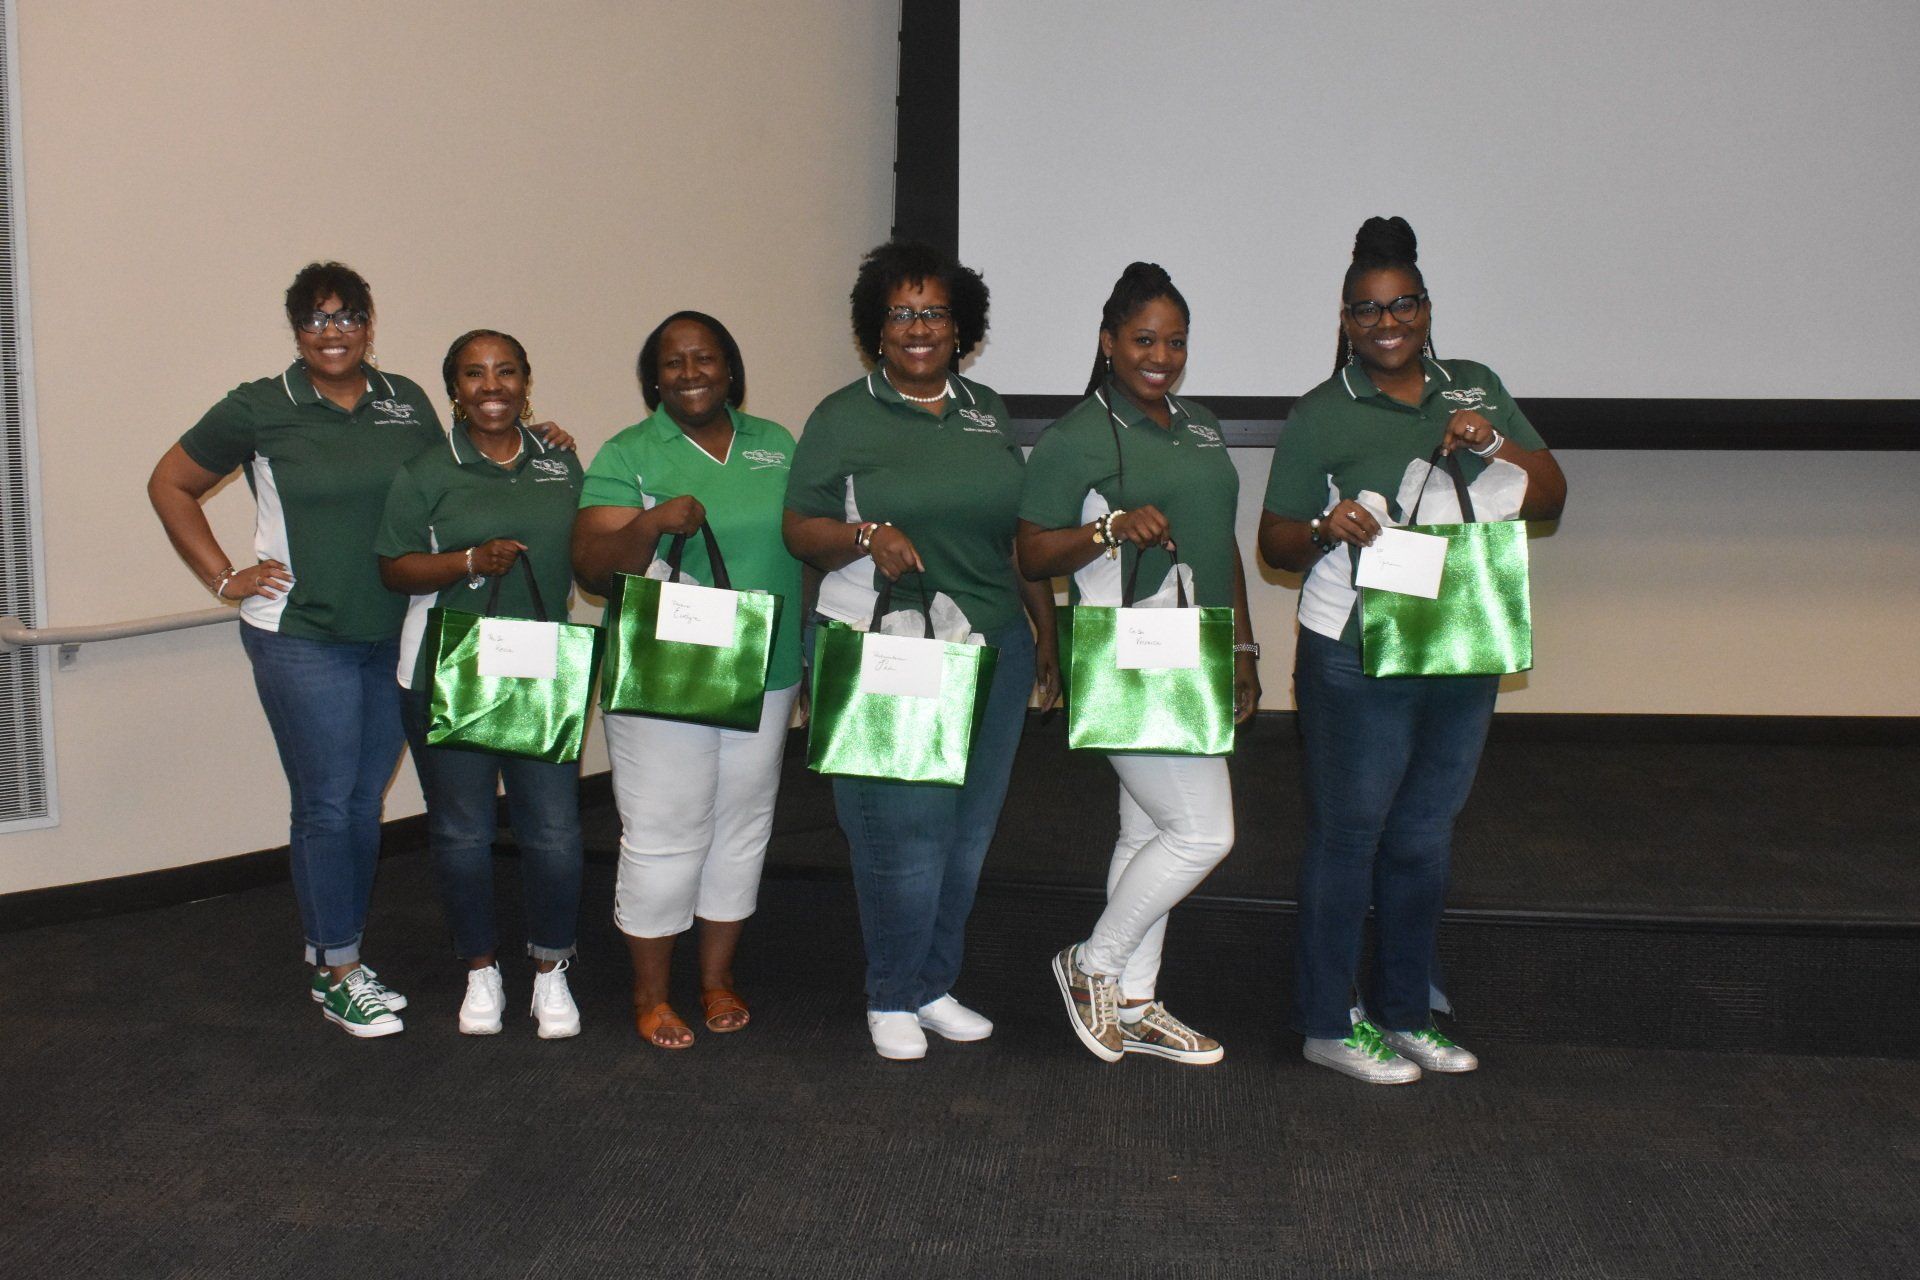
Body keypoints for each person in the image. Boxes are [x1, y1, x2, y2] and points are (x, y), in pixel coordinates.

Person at [1258, 216, 1568, 1083]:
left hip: (1458, 638)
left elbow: (1550, 496)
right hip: (1353, 650)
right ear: (1347, 320)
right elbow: (1275, 541)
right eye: (1366, 310)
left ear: (1427, 309)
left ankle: (1403, 1013)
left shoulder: (1474, 388)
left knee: (1425, 836)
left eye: (1401, 306)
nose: (1385, 322)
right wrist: (1326, 526)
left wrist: (1493, 440)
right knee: (1349, 835)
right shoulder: (1322, 412)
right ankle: (1328, 1021)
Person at [148, 262, 444, 1037]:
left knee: (360, 802)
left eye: (347, 317)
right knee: (325, 802)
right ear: (296, 330)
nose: (333, 332)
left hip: (393, 629)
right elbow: (170, 482)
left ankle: (340, 952)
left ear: (370, 324)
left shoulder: (405, 401)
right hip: (299, 635)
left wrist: (533, 442)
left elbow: (448, 490)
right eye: (315, 319)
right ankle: (337, 968)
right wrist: (223, 578)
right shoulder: (260, 406)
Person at [783, 240, 1060, 1061]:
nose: (917, 327)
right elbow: (802, 530)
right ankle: (891, 992)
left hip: (992, 649)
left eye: (934, 312)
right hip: (890, 650)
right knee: (902, 833)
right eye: (900, 313)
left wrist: (1043, 626)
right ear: (875, 325)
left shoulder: (986, 410)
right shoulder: (842, 416)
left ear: (960, 325)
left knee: (966, 834)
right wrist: (866, 532)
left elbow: (1014, 535)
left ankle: (933, 983)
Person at [1017, 262, 1259, 1067]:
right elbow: (1030, 550)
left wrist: (1247, 648)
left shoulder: (1199, 424)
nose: (1161, 356)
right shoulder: (1075, 437)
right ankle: (1094, 962)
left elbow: (1218, 533)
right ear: (1108, 342)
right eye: (1144, 339)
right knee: (1202, 832)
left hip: (1196, 651)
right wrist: (1110, 529)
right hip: (1124, 657)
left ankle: (1134, 1002)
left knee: (1148, 828)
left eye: (1175, 342)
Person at [571, 312, 804, 1049]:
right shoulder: (628, 453)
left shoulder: (776, 445)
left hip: (764, 670)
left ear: (730, 369)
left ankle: (715, 980)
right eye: (673, 362)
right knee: (666, 832)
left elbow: (806, 549)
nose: (690, 372)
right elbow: (591, 571)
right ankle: (650, 994)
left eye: (705, 358)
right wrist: (650, 524)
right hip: (667, 677)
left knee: (741, 827)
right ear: (654, 378)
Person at [375, 330, 587, 1039]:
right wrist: (469, 559)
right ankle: (481, 970)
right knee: (462, 832)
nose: (490, 386)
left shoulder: (561, 463)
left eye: (505, 372)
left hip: (537, 668)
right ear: (453, 391)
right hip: (446, 667)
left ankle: (552, 971)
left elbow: (583, 555)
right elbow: (394, 568)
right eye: (473, 374)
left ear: (527, 382)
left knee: (554, 831)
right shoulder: (426, 470)